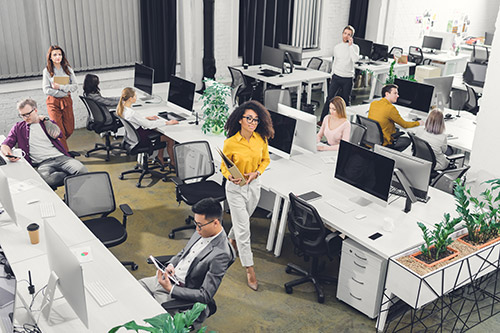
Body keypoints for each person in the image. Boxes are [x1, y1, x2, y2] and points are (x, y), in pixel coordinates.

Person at [139, 197, 234, 324]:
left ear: (215, 223)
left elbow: (205, 295)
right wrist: (172, 264)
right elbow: (184, 253)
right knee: (134, 289)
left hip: (177, 294)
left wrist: (170, 289)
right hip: (168, 279)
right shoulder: (201, 231)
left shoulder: (221, 254)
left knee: (148, 317)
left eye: (199, 225)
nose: (196, 229)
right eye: (195, 224)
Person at [221, 100, 274, 291]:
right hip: (235, 189)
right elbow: (223, 167)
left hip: (254, 186)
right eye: (249, 119)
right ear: (240, 120)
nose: (252, 123)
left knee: (242, 221)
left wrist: (256, 173)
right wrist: (230, 176)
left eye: (256, 120)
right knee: (244, 230)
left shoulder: (261, 139)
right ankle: (249, 269)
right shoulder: (231, 143)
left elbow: (266, 160)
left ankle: (229, 241)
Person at [1, 98, 88, 188]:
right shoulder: (18, 128)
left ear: (35, 110)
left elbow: (57, 134)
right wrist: (8, 154)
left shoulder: (46, 123)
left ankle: (71, 198)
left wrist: (46, 120)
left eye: (28, 114)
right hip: (42, 163)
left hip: (60, 158)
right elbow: (5, 144)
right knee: (49, 180)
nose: (25, 118)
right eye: (22, 115)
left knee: (82, 171)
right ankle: (71, 179)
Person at [116, 87, 178, 167]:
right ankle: (173, 163)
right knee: (170, 139)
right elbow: (148, 125)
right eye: (135, 96)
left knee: (159, 133)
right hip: (141, 139)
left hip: (133, 137)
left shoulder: (121, 109)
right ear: (131, 98)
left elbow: (133, 120)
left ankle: (160, 157)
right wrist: (167, 122)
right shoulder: (132, 113)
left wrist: (145, 118)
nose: (136, 97)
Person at [320, 25, 360, 123]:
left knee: (346, 100)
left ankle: (346, 122)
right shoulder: (337, 47)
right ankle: (322, 120)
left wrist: (350, 46)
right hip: (336, 76)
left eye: (349, 34)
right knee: (329, 98)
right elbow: (335, 61)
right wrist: (332, 74)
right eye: (345, 33)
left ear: (351, 36)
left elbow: (355, 59)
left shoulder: (355, 48)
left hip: (348, 78)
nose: (346, 36)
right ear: (342, 34)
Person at [42, 45, 78, 152]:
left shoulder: (68, 69)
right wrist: (63, 93)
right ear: (50, 57)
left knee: (69, 129)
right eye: (55, 55)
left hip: (67, 101)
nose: (58, 57)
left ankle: (55, 145)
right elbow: (46, 90)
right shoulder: (47, 71)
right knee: (59, 130)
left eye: (60, 54)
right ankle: (65, 154)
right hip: (53, 102)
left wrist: (60, 87)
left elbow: (75, 86)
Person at [368, 84, 423, 151]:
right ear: (387, 94)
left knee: (396, 129)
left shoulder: (374, 103)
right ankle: (388, 153)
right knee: (407, 140)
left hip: (371, 140)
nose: (398, 96)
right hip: (384, 143)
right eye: (395, 93)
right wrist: (418, 123)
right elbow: (405, 125)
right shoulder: (390, 108)